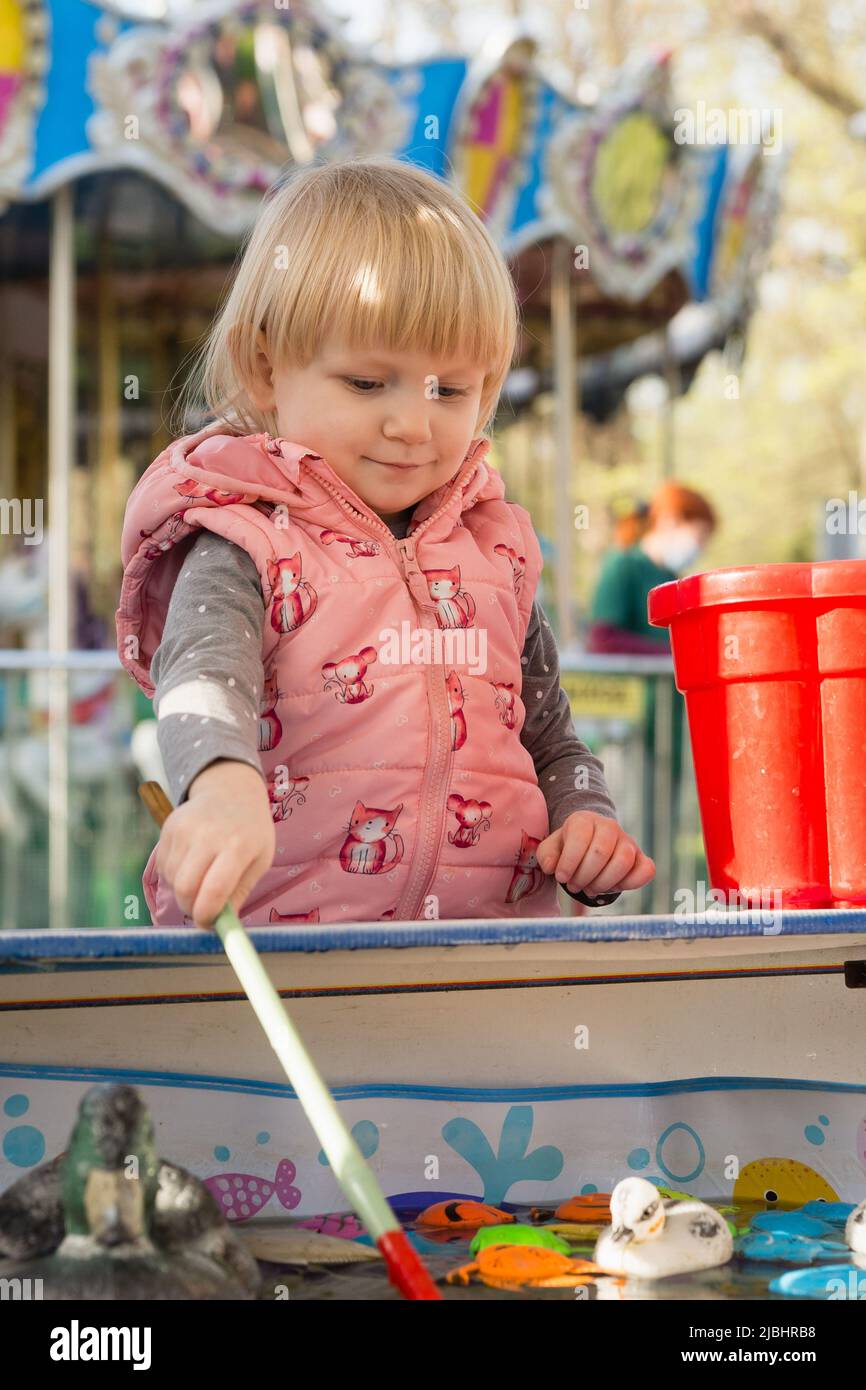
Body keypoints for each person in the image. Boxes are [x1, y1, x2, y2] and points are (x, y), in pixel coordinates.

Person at [116, 157, 655, 928]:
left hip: (491, 967)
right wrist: (221, 788)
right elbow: (200, 678)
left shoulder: (493, 555)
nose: (413, 424)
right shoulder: (244, 537)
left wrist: (586, 821)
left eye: (451, 390)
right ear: (265, 367)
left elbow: (550, 736)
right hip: (290, 965)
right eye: (368, 384)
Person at [587, 482, 717, 655]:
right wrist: (675, 653)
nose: (701, 547)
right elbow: (603, 639)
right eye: (700, 536)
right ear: (671, 520)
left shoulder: (670, 577)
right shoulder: (623, 564)